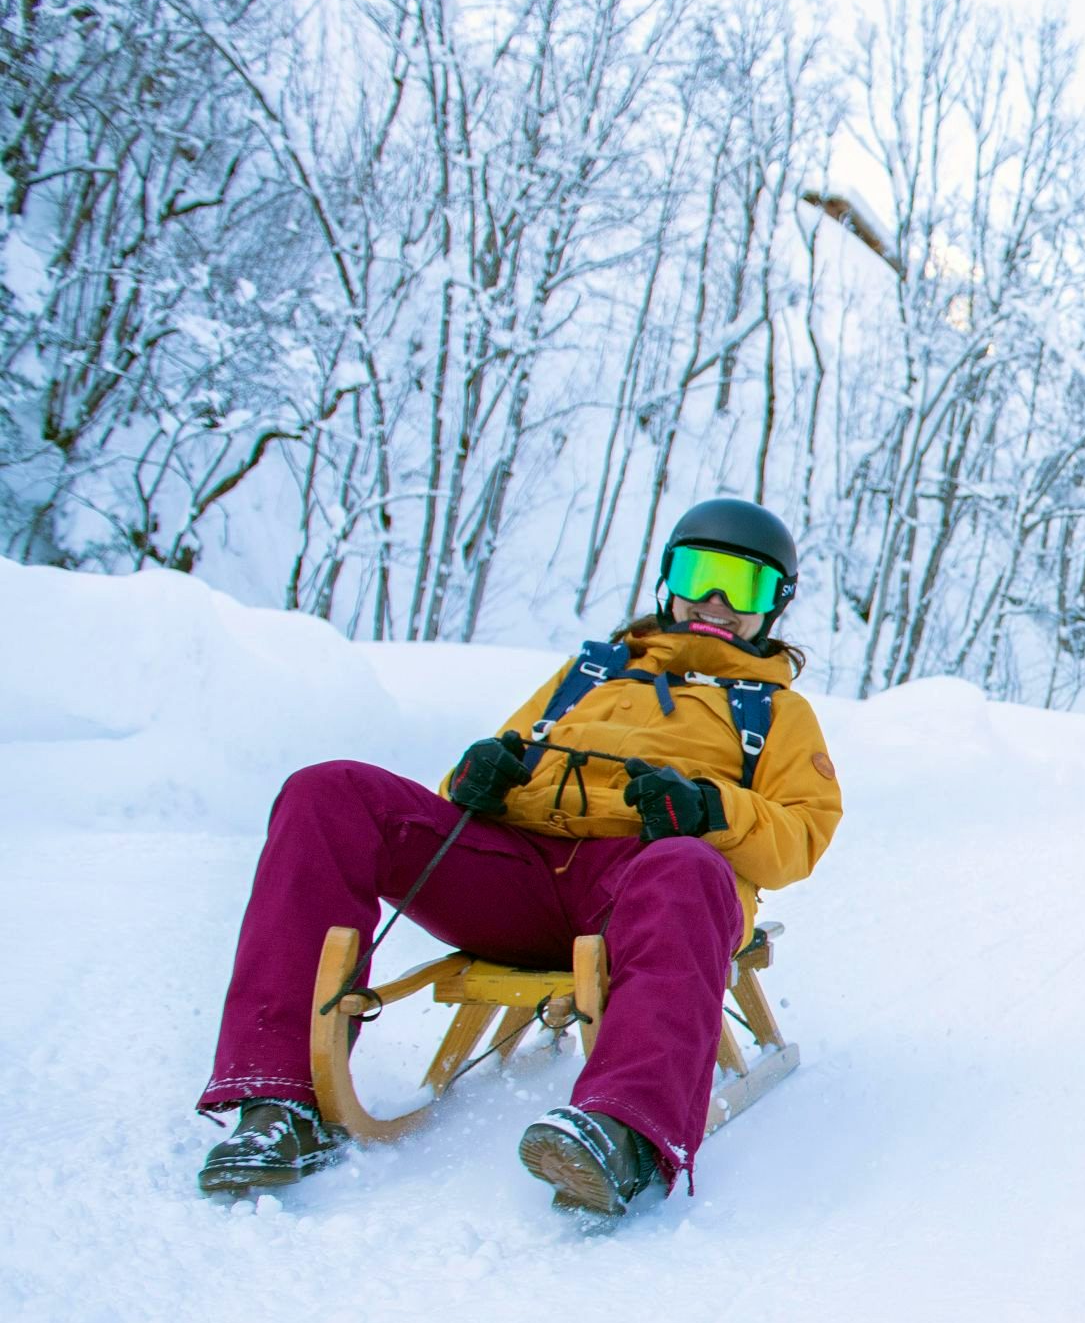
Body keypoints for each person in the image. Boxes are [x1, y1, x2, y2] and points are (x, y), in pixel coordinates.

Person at [194, 498, 845, 1215]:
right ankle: (278, 1101)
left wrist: (709, 809)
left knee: (687, 867)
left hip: (638, 891)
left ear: (774, 605)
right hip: (518, 878)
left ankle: (625, 1131)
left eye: (742, 586)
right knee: (328, 793)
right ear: (669, 578)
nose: (715, 602)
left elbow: (800, 838)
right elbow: (490, 774)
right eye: (699, 573)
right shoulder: (591, 674)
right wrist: (480, 779)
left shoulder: (775, 713)